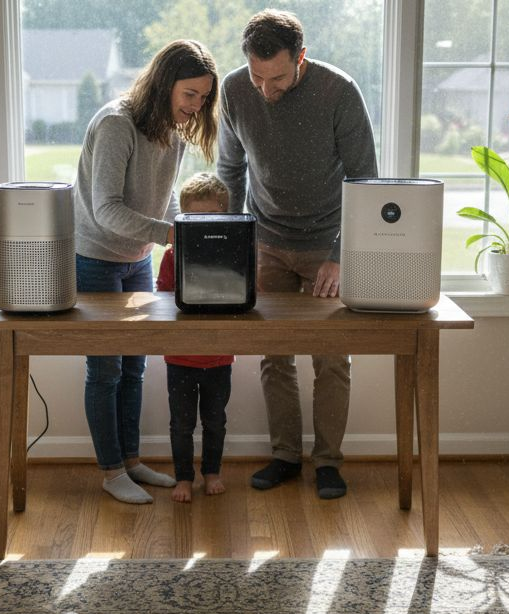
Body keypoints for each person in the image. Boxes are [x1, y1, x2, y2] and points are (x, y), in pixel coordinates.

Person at [216, 10, 378, 500]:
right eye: (257, 76)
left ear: (301, 58)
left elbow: (365, 180)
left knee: (331, 359)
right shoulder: (234, 89)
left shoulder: (339, 91)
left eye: (278, 77)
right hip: (266, 241)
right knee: (274, 355)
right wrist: (233, 242)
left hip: (325, 243)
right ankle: (285, 455)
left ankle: (327, 462)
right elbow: (229, 170)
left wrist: (338, 255)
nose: (265, 88)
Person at [74, 39, 220, 505]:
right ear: (165, 84)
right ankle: (111, 470)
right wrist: (173, 234)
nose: (196, 107)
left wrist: (191, 226)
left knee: (135, 367)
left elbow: (165, 198)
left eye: (203, 98)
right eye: (190, 95)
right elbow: (106, 210)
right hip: (95, 259)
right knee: (106, 369)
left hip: (137, 260)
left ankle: (132, 461)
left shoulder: (172, 133)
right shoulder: (117, 124)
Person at [155, 173, 234, 503]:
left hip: (219, 357)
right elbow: (161, 296)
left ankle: (212, 472)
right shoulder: (173, 256)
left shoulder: (232, 252)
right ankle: (183, 477)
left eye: (211, 218)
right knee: (182, 424)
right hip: (180, 358)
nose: (203, 226)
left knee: (215, 421)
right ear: (182, 219)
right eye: (194, 219)